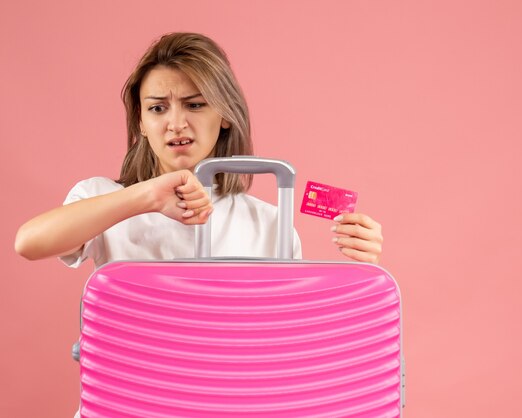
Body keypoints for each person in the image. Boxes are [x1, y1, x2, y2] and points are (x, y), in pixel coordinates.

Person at [15, 31, 383, 271]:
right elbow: (29, 243)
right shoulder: (102, 198)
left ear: (224, 114)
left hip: (231, 390)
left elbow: (283, 328)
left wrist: (361, 269)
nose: (176, 124)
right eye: (158, 108)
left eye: (194, 105)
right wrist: (145, 196)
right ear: (140, 122)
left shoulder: (268, 223)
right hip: (134, 388)